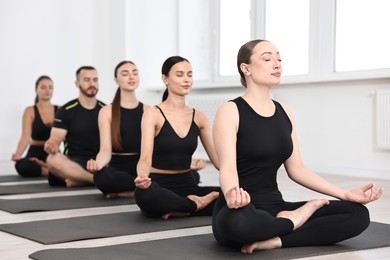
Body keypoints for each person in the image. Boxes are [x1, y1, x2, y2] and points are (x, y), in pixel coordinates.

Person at [211, 39, 383, 254]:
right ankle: (295, 221)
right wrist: (232, 196)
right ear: (246, 69)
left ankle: (276, 240)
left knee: (357, 215)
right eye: (267, 58)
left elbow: (297, 169)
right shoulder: (231, 110)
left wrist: (345, 195)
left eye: (279, 58)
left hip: (275, 207)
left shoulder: (285, 112)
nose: (277, 64)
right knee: (238, 226)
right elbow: (227, 167)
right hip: (240, 209)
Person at [134, 56, 220, 219]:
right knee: (144, 195)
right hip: (159, 186)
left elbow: (217, 160)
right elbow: (145, 158)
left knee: (238, 196)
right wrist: (142, 177)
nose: (186, 79)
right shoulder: (152, 114)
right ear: (165, 79)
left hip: (188, 185)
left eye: (189, 74)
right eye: (179, 75)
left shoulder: (199, 117)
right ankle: (196, 204)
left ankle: (182, 208)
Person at [44, 66, 105, 187]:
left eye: (95, 80)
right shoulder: (65, 110)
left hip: (101, 162)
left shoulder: (106, 110)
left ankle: (79, 180)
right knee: (52, 160)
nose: (92, 83)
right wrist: (52, 145)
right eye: (87, 80)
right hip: (74, 163)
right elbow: (55, 139)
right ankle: (95, 180)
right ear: (77, 83)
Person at [12, 76, 59, 177]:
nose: (47, 90)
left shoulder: (60, 109)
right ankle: (54, 172)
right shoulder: (30, 111)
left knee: (71, 162)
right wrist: (18, 154)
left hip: (53, 153)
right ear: (36, 89)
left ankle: (47, 167)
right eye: (43, 87)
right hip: (35, 151)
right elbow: (25, 137)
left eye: (50, 87)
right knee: (22, 166)